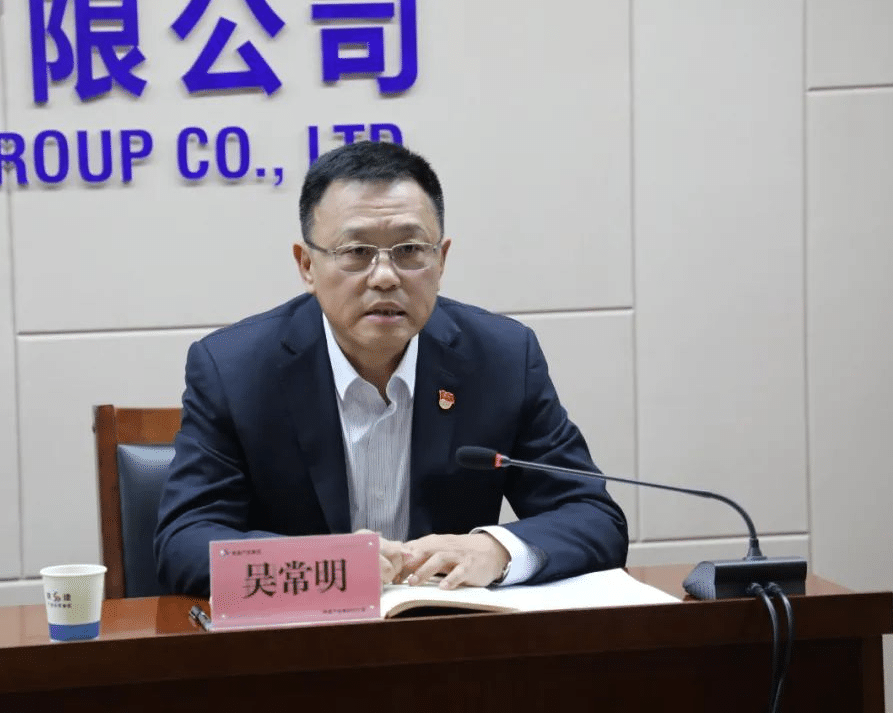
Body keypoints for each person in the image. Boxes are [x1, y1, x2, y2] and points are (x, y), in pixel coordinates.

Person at [154, 141, 627, 597]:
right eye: (356, 252)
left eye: (409, 250)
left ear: (441, 260)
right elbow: (184, 542)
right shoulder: (234, 370)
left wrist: (497, 549)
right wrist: (329, 565)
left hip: (447, 634)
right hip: (301, 640)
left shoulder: (501, 359)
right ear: (307, 265)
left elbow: (593, 516)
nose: (384, 276)